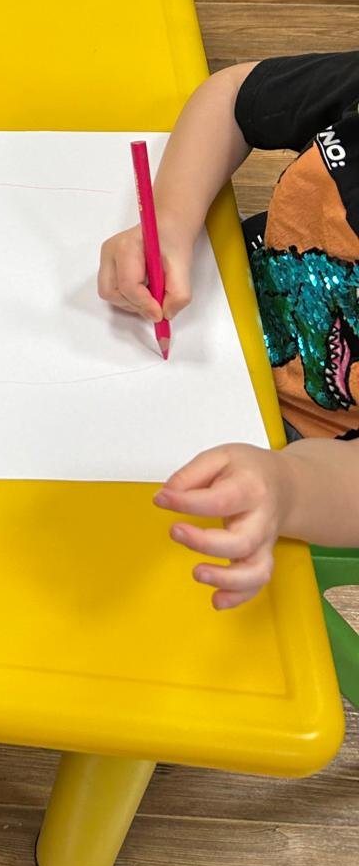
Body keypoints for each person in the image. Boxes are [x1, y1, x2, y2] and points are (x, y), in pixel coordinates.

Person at [99, 55, 359, 610]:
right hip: (214, 295)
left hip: (303, 453)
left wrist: (286, 488)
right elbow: (235, 97)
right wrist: (171, 219)